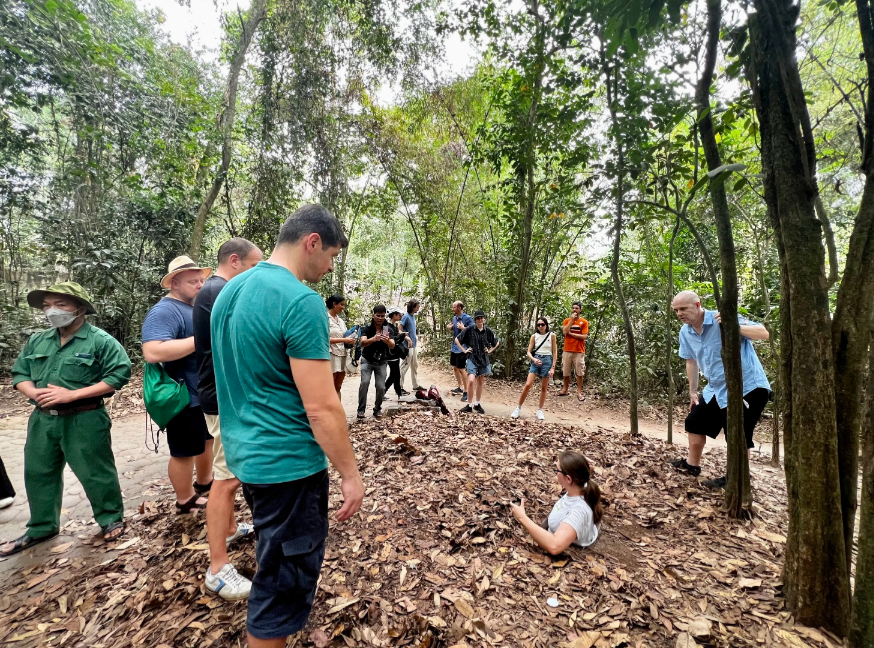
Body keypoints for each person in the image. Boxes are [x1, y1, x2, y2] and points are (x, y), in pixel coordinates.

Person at [211, 204, 363, 648]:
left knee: (272, 558)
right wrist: (350, 475)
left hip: (248, 456)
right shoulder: (300, 302)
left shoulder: (230, 292)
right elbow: (322, 408)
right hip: (289, 465)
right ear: (312, 242)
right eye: (332, 255)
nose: (330, 266)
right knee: (281, 586)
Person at [1, 282, 131, 557]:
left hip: (84, 419)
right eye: (47, 305)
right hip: (42, 420)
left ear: (80, 309)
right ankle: (42, 526)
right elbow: (20, 374)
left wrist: (72, 395)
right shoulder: (38, 340)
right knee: (38, 473)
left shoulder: (100, 341)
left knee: (95, 471)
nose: (52, 311)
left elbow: (117, 376)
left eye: (60, 305)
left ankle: (110, 519)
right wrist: (33, 392)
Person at [192, 237, 262, 600]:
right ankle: (217, 568)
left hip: (218, 394)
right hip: (222, 399)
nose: (256, 275)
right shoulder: (221, 291)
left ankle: (232, 528)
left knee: (229, 473)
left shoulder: (213, 290)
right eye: (253, 267)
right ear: (234, 261)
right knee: (227, 478)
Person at [669, 290, 771, 488]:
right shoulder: (685, 332)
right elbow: (691, 361)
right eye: (676, 310)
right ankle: (692, 465)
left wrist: (734, 326)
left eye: (683, 308)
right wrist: (693, 391)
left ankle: (736, 478)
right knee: (695, 421)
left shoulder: (720, 319)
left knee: (738, 434)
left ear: (697, 305)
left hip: (748, 386)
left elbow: (764, 333)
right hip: (716, 388)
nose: (679, 313)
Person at [142, 255, 213, 514]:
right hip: (183, 395)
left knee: (206, 440)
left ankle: (204, 482)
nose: (199, 285)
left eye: (201, 280)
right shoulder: (165, 310)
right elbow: (153, 351)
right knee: (183, 451)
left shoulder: (193, 307)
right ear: (174, 283)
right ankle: (185, 499)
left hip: (202, 391)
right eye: (193, 281)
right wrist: (202, 339)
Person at [511, 450, 603, 555]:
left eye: (557, 470)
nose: (555, 473)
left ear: (568, 479)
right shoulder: (582, 484)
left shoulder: (578, 511)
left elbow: (555, 546)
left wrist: (522, 518)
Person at [512, 316, 557, 421]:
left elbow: (555, 352)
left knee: (544, 387)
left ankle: (539, 410)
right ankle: (518, 408)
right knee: (528, 384)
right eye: (538, 325)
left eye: (542, 324)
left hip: (547, 361)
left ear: (546, 325)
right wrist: (534, 359)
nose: (540, 326)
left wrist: (553, 367)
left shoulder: (552, 336)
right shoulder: (534, 336)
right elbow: (528, 351)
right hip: (536, 359)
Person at [455, 310, 499, 414]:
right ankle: (469, 405)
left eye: (481, 318)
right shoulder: (469, 329)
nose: (480, 320)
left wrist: (490, 350)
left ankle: (477, 404)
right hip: (472, 358)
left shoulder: (488, 331)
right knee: (471, 380)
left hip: (483, 359)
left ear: (484, 319)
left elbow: (496, 342)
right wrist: (464, 350)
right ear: (475, 320)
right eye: (478, 318)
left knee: (480, 381)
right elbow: (457, 339)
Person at [357, 305, 396, 419]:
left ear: (385, 316)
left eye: (382, 316)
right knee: (364, 383)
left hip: (381, 361)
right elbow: (362, 343)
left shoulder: (387, 329)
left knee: (381, 387)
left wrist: (387, 341)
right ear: (373, 315)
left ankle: (377, 408)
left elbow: (392, 345)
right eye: (378, 315)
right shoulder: (366, 328)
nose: (380, 318)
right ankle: (361, 410)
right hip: (367, 360)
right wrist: (373, 339)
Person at [559, 302, 589, 401]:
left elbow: (584, 336)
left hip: (579, 351)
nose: (574, 310)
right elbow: (564, 331)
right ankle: (565, 389)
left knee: (579, 372)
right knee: (566, 371)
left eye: (577, 308)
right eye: (573, 308)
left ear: (580, 310)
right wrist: (571, 320)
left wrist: (571, 334)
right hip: (567, 350)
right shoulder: (567, 320)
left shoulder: (584, 322)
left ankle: (579, 392)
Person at [327, 295, 356, 396]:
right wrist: (344, 339)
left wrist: (351, 339)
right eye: (341, 304)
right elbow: (324, 339)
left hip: (342, 354)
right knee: (329, 386)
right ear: (334, 304)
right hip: (331, 355)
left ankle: (338, 411)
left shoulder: (341, 321)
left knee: (338, 386)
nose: (343, 307)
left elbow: (345, 335)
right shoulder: (325, 318)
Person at [447, 301, 474, 401]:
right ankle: (460, 387)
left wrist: (464, 328)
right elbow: (455, 331)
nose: (452, 309)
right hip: (454, 347)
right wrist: (451, 328)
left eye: (454, 307)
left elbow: (473, 331)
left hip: (463, 348)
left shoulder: (467, 318)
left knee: (462, 369)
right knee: (455, 368)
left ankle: (466, 392)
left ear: (459, 308)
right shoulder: (454, 318)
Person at [384, 307, 408, 399]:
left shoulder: (394, 326)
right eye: (399, 315)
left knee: (394, 374)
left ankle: (396, 393)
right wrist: (400, 336)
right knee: (395, 374)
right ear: (394, 315)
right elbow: (386, 341)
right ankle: (397, 394)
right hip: (390, 354)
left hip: (395, 354)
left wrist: (402, 335)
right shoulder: (386, 327)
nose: (401, 316)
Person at [400, 298, 423, 392]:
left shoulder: (413, 316)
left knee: (415, 365)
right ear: (412, 307)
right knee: (405, 365)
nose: (418, 309)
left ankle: (415, 385)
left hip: (413, 345)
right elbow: (399, 330)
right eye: (417, 307)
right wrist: (407, 338)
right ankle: (399, 386)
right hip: (407, 345)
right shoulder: (406, 316)